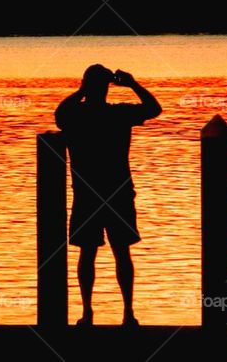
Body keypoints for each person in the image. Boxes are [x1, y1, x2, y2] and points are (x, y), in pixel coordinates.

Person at [54, 64, 162, 327]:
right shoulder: (118, 114)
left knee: (92, 252)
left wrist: (82, 90)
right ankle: (124, 312)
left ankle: (94, 312)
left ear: (86, 84)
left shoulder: (78, 114)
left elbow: (60, 114)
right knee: (117, 251)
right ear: (108, 86)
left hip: (95, 195)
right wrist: (133, 84)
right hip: (113, 193)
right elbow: (153, 108)